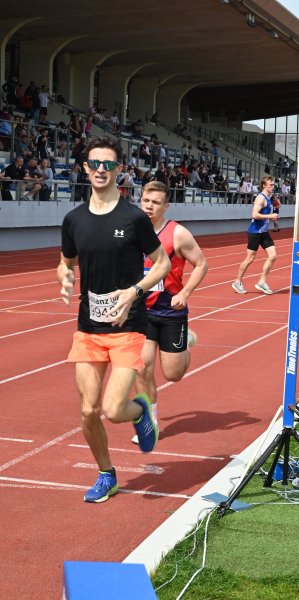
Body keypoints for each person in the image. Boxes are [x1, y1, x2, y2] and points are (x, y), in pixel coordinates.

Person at [57, 136, 171, 503]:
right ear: (85, 168)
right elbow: (66, 261)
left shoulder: (133, 218)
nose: (101, 170)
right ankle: (107, 474)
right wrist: (64, 275)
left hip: (127, 326)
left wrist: (134, 291)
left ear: (119, 169)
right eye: (95, 164)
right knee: (89, 410)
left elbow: (162, 264)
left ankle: (139, 411)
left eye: (108, 164)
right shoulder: (73, 220)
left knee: (111, 408)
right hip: (88, 327)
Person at [132, 181, 208, 444]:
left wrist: (184, 293)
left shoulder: (177, 234)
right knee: (141, 369)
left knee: (172, 374)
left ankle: (185, 344)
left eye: (155, 202)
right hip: (140, 313)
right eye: (145, 200)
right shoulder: (130, 231)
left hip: (170, 312)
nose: (149, 206)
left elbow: (201, 263)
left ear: (165, 206)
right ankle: (149, 422)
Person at [231, 175, 279, 295]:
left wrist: (271, 219)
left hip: (263, 232)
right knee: (250, 259)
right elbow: (254, 214)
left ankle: (262, 281)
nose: (273, 186)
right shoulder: (260, 198)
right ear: (264, 185)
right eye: (271, 184)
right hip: (255, 232)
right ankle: (237, 282)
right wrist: (270, 216)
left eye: (273, 184)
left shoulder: (268, 198)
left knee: (273, 256)